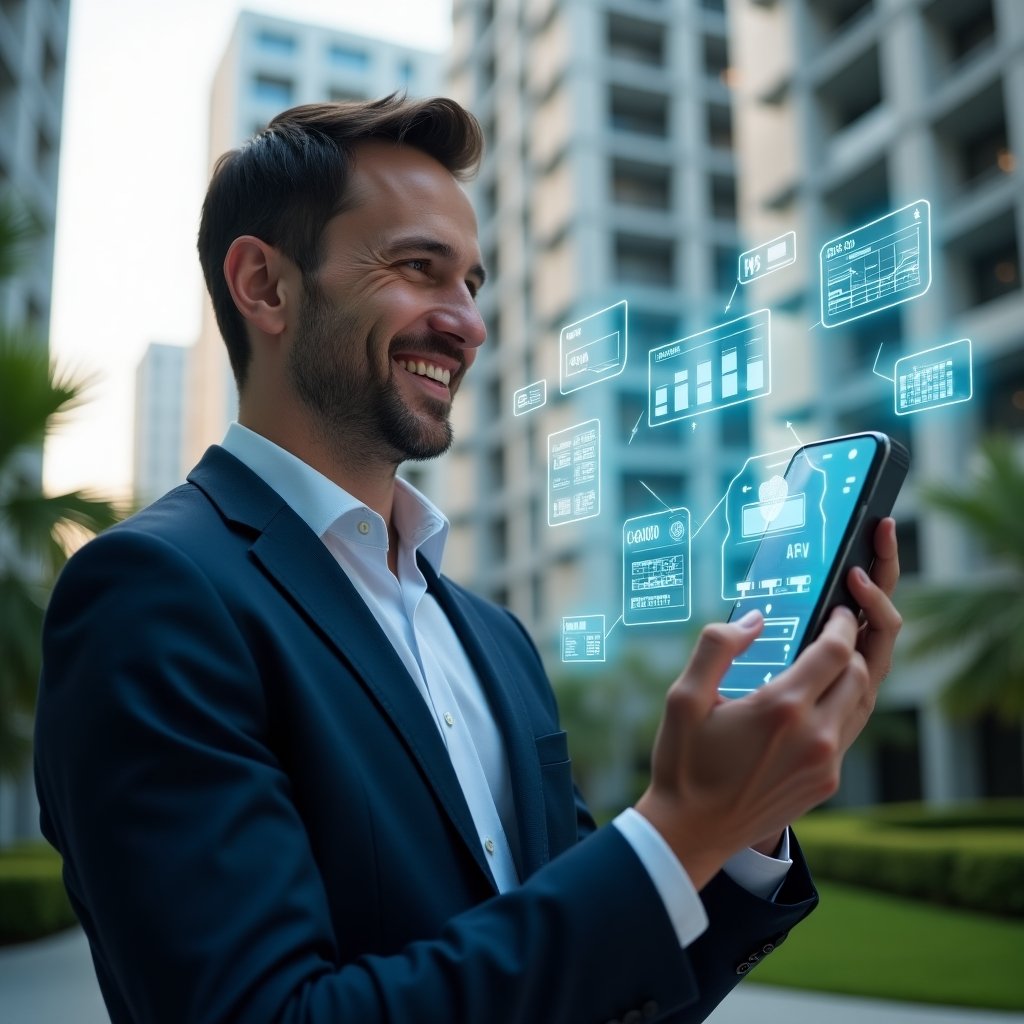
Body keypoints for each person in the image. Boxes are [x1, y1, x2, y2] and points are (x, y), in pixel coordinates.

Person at [34, 95, 902, 1024]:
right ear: (266, 286)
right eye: (419, 268)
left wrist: (738, 828)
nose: (468, 324)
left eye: (473, 284)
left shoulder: (495, 639)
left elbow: (597, 989)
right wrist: (678, 828)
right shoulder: (152, 594)